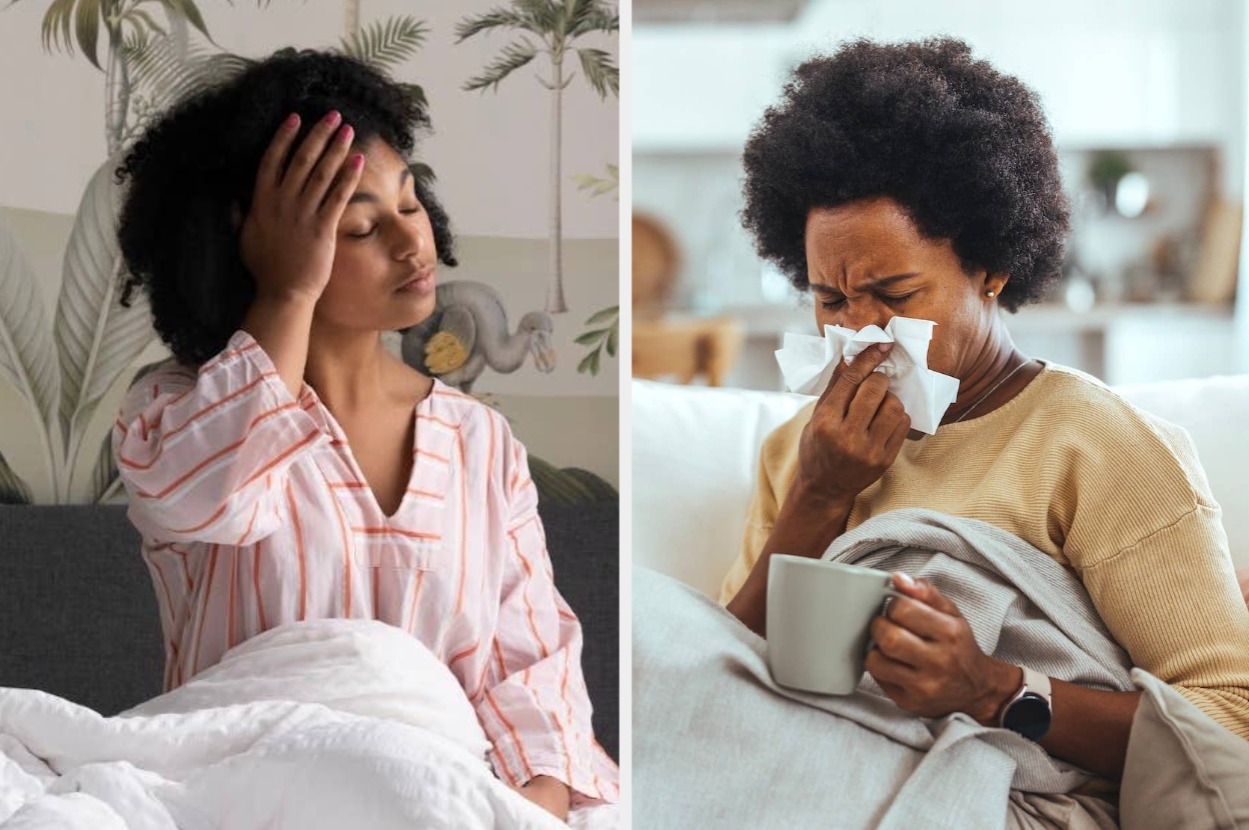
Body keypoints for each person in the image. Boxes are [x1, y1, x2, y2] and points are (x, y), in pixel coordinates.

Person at [719, 37, 1249, 785]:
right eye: (829, 299)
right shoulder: (799, 452)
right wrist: (819, 494)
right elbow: (710, 688)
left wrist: (992, 689)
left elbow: (1229, 721)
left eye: (897, 296)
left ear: (991, 267)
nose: (858, 332)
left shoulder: (1092, 444)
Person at [112, 49, 617, 820]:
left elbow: (529, 661)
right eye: (359, 227)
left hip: (451, 798)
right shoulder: (174, 417)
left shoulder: (480, 441)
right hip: (247, 797)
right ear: (255, 245)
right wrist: (286, 289)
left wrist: (530, 805)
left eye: (410, 206)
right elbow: (214, 501)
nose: (413, 246)